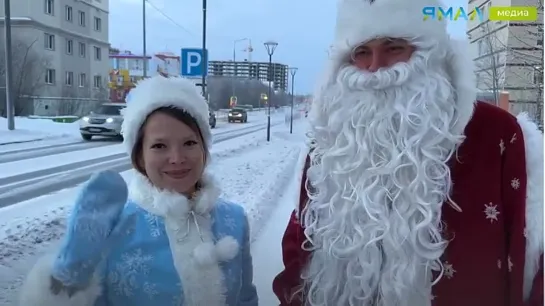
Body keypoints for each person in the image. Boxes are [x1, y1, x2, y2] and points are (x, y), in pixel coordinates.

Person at [272, 0, 544, 305]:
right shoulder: (329, 144)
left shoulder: (499, 137)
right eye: (361, 52)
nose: (375, 68)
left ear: (431, 53)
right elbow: (298, 254)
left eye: (393, 47)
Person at [19, 76, 259, 306]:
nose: (176, 158)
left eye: (189, 143)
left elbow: (246, 299)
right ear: (139, 156)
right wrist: (66, 282)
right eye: (159, 146)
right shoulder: (112, 228)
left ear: (204, 147)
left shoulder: (234, 220)